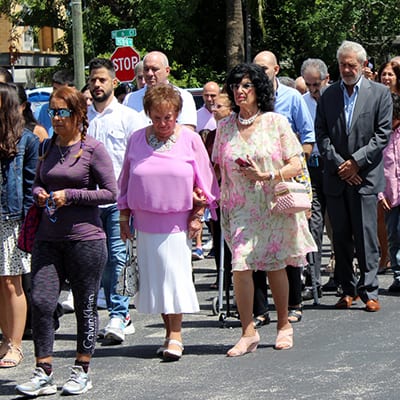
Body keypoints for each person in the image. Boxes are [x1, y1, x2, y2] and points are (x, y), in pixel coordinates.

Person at [15, 86, 117, 397]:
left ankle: (81, 369)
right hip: (48, 238)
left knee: (86, 305)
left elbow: (110, 193)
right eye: (53, 111)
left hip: (85, 240)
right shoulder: (47, 147)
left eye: (63, 112)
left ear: (78, 115)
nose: (56, 118)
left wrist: (70, 195)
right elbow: (36, 184)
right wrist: (40, 194)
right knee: (43, 302)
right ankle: (43, 371)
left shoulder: (92, 150)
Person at [212, 63, 316, 356]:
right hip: (239, 207)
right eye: (235, 86)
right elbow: (217, 167)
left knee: (275, 265)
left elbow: (296, 163)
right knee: (241, 267)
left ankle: (284, 324)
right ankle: (248, 332)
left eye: (246, 85)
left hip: (272, 204)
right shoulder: (224, 127)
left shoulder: (276, 122)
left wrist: (268, 175)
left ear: (259, 89)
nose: (239, 91)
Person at [118, 83, 219, 361]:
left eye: (169, 117)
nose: (163, 123)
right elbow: (125, 181)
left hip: (178, 222)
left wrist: (199, 215)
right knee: (156, 282)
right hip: (145, 222)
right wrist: (123, 216)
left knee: (174, 279)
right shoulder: (137, 139)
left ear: (177, 114)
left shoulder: (190, 139)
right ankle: (167, 332)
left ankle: (176, 335)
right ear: (148, 113)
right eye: (157, 117)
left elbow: (206, 182)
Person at [315, 40, 392, 312]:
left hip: (365, 177)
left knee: (366, 236)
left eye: (351, 65)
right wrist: (340, 165)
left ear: (363, 64)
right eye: (342, 64)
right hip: (337, 178)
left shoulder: (380, 93)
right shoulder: (328, 95)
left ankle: (369, 290)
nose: (346, 69)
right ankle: (347, 289)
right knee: (341, 237)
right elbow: (321, 135)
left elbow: (382, 134)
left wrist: (356, 163)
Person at [253, 50, 316, 324]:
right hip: (255, 184)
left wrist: (291, 170)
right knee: (256, 245)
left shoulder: (292, 98)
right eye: (255, 69)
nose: (259, 74)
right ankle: (260, 309)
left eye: (264, 69)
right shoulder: (248, 100)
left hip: (286, 179)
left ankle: (294, 302)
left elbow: (308, 138)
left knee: (288, 242)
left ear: (276, 69)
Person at [87, 58, 146, 343]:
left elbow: (140, 159)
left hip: (119, 202)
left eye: (102, 79)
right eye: (93, 79)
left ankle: (118, 315)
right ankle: (118, 312)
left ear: (113, 82)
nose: (96, 84)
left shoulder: (129, 118)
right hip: (88, 201)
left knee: (119, 256)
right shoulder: (82, 118)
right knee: (101, 261)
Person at [0, 83, 39, 368]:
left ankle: (16, 344)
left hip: (12, 221)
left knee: (12, 283)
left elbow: (30, 189)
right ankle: (5, 339)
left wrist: (28, 227)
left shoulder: (27, 140)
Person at [299, 58, 333, 303]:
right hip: (311, 167)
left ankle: (343, 275)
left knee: (338, 225)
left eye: (316, 84)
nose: (313, 90)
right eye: (309, 85)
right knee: (313, 225)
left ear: (326, 78)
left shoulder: (335, 99)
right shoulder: (302, 103)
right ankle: (313, 280)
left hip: (335, 165)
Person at [123, 51, 197, 130]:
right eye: (146, 69)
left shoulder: (184, 97)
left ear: (167, 71)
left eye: (154, 69)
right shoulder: (130, 99)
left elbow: (187, 133)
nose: (149, 73)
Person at [376, 62, 400, 273]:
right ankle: (391, 264)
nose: (386, 77)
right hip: (388, 190)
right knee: (391, 232)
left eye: (390, 74)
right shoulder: (380, 137)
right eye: (383, 74)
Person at [193, 81, 221, 260]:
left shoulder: (225, 116)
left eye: (213, 95)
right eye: (206, 95)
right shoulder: (196, 116)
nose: (210, 99)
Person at [379, 93, 400, 292]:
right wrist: (380, 194)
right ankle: (398, 274)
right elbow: (376, 168)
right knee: (393, 235)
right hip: (390, 196)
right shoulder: (380, 136)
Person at [36, 70, 74, 137]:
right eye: (55, 89)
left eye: (62, 91)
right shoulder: (41, 111)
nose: (57, 94)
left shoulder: (77, 110)